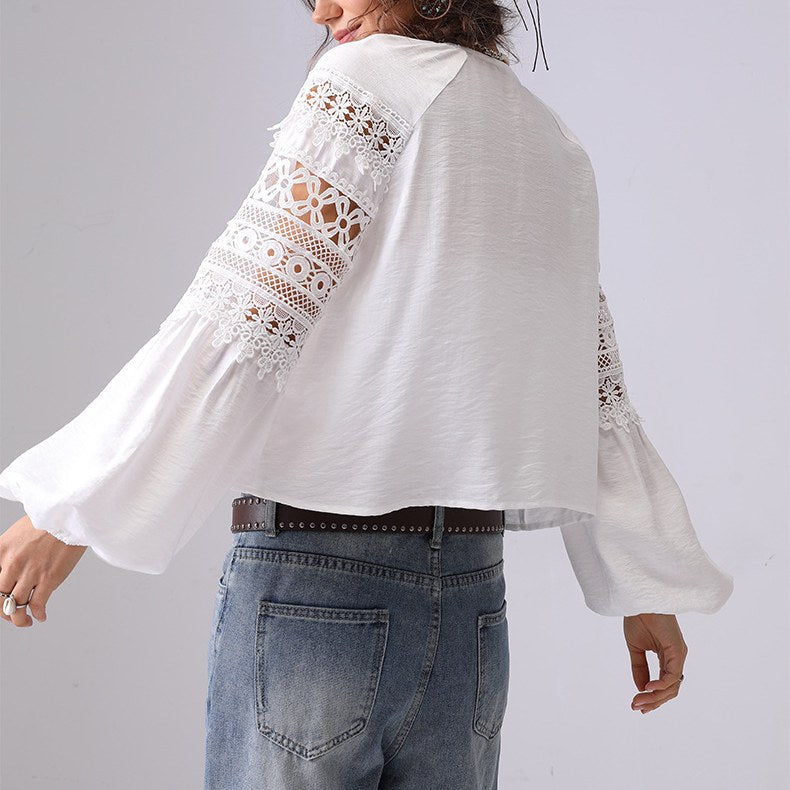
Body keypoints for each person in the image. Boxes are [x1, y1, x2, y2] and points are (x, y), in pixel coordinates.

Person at [0, 0, 734, 787]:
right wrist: (643, 585)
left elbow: (246, 316)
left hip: (317, 586)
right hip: (471, 601)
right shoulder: (545, 134)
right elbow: (591, 380)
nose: (322, 12)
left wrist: (72, 508)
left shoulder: (362, 84)